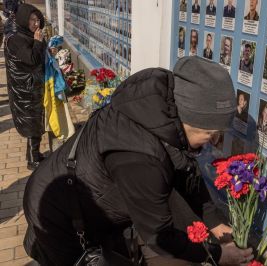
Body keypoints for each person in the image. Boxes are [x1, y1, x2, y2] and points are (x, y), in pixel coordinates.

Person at [23, 56, 254, 266]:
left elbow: (185, 169)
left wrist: (213, 221)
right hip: (58, 216)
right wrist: (219, 255)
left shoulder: (163, 111)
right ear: (191, 119)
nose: (215, 142)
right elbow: (159, 237)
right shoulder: (140, 157)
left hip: (91, 200)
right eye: (211, 134)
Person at [4, 3, 46, 170]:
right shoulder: (15, 39)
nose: (36, 23)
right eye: (32, 20)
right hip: (24, 90)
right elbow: (31, 59)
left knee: (35, 121)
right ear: (23, 20)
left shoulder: (27, 35)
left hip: (31, 87)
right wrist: (37, 42)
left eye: (38, 20)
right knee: (31, 123)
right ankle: (32, 159)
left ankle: (34, 154)